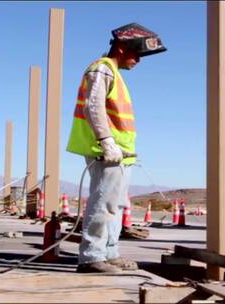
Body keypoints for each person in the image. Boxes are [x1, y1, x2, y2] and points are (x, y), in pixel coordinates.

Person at [66, 23, 166, 273]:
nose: (139, 60)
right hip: (107, 152)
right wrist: (106, 142)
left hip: (121, 154)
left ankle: (109, 253)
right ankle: (91, 257)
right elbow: (93, 107)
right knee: (103, 202)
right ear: (121, 48)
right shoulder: (102, 68)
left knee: (115, 204)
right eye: (136, 53)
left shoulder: (113, 73)